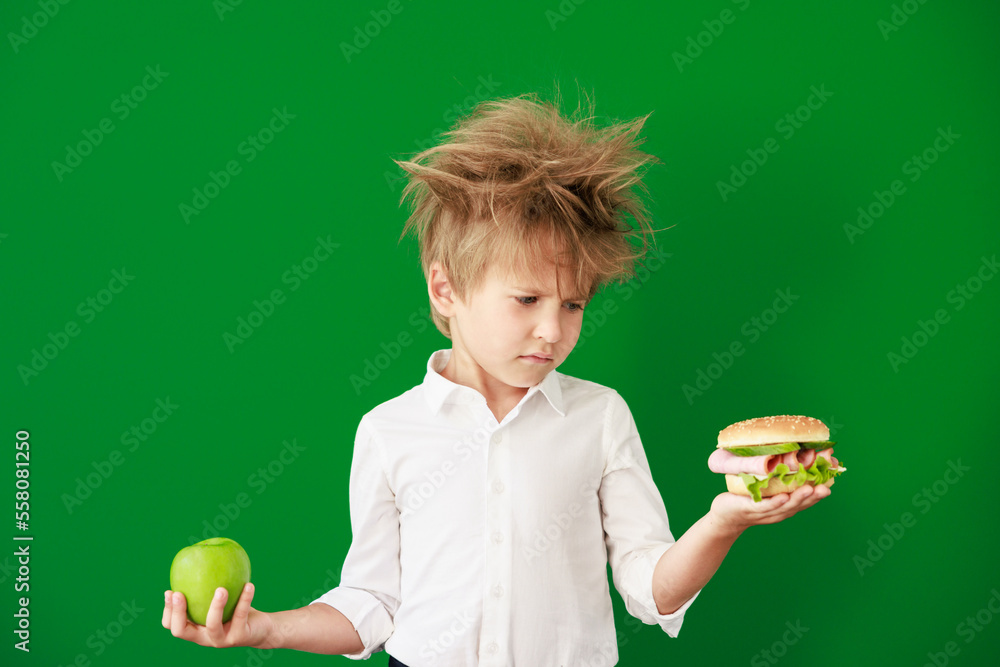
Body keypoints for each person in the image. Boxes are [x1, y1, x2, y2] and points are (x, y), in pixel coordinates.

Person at [162, 86, 830, 665]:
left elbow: (649, 586)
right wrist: (265, 628)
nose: (554, 329)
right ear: (445, 288)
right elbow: (372, 603)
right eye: (527, 299)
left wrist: (724, 520)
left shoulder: (600, 419)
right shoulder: (389, 432)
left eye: (574, 305)